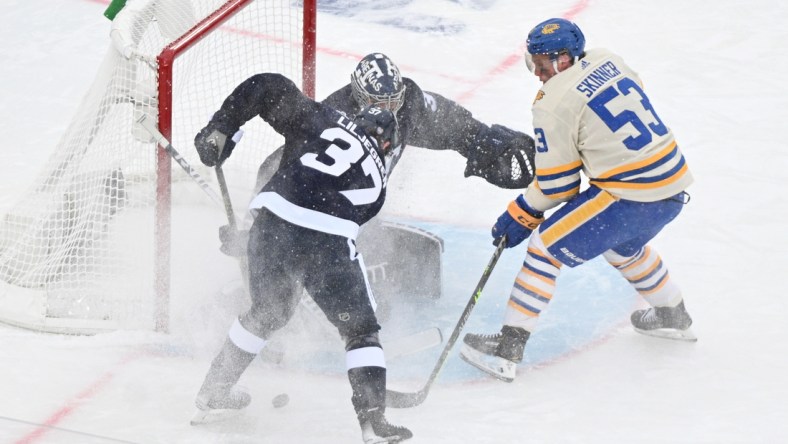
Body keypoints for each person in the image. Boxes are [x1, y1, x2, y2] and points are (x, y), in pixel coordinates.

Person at [460, 18, 696, 383]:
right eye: (533, 63)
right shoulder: (608, 58)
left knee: (543, 248)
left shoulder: (551, 103)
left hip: (630, 196)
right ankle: (673, 315)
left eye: (542, 64)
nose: (537, 73)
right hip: (672, 184)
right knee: (622, 248)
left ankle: (507, 350)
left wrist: (521, 212)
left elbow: (559, 187)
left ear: (563, 60)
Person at [190, 72, 412, 443]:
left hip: (270, 221)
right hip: (327, 240)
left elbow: (268, 86)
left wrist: (222, 126)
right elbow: (326, 222)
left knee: (266, 313)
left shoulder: (326, 120)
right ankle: (373, 422)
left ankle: (213, 390)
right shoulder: (378, 182)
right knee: (359, 331)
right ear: (387, 144)